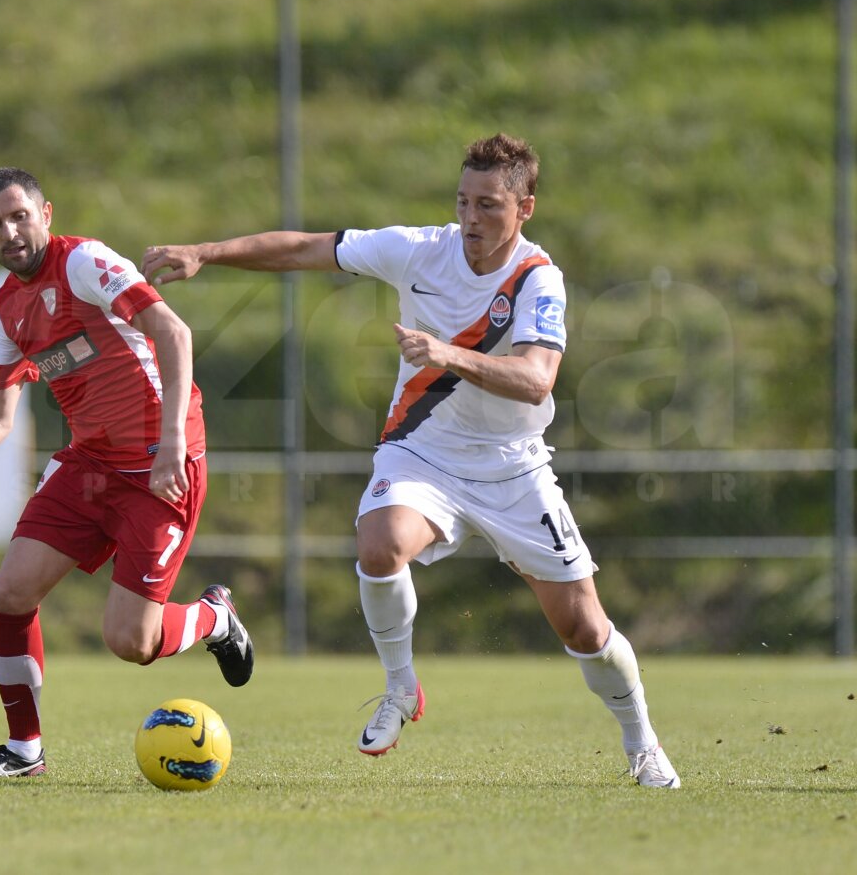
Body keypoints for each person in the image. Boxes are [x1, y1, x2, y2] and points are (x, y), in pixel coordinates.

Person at [141, 133, 680, 788]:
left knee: (585, 627)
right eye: (462, 202)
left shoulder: (538, 279)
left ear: (525, 208)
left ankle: (642, 744)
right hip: (422, 452)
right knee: (379, 544)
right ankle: (400, 690)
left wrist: (447, 353)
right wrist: (206, 252)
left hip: (514, 467)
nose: (471, 219)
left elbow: (537, 379)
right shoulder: (420, 250)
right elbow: (310, 246)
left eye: (488, 205)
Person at [0, 167, 253, 778]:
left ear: (46, 214)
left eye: (18, 216)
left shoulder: (85, 263)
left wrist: (170, 445)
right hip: (89, 464)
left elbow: (173, 331)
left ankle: (215, 618)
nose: (9, 232)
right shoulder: (7, 308)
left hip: (161, 464)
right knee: (8, 593)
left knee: (131, 643)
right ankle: (24, 749)